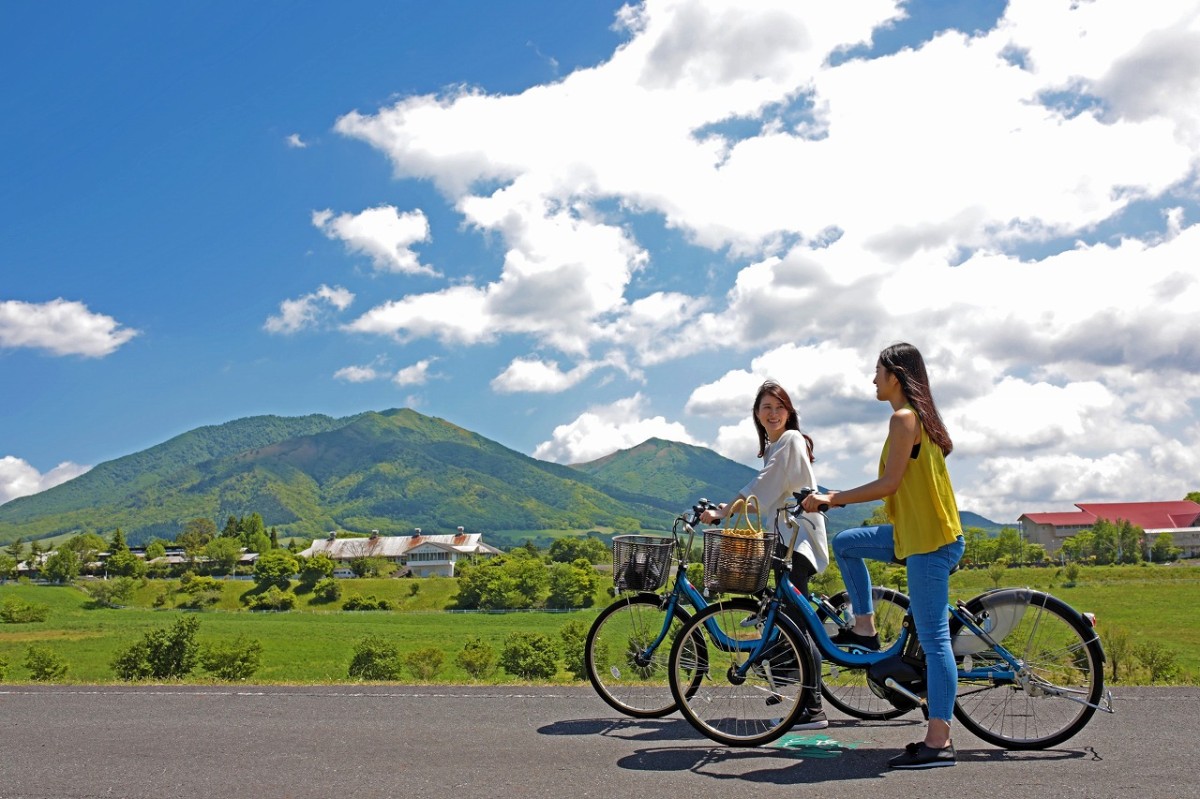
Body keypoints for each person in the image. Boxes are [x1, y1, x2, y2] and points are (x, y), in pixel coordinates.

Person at [802, 342, 964, 769]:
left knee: (934, 640)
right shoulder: (918, 418)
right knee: (847, 543)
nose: (873, 379)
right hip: (912, 535)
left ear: (895, 374)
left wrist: (833, 499)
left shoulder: (904, 418)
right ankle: (864, 626)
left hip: (929, 542)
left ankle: (939, 742)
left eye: (877, 371)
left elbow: (890, 483)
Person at [701, 380, 829, 730]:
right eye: (766, 408)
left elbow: (763, 488)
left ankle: (812, 709)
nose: (772, 414)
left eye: (779, 407)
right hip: (785, 542)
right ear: (757, 415)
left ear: (789, 413)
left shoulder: (789, 440)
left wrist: (722, 512)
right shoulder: (777, 446)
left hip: (795, 542)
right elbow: (767, 491)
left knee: (796, 626)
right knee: (788, 619)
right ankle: (792, 687)